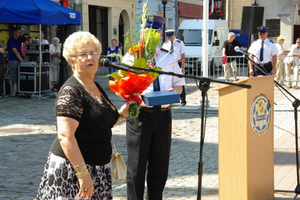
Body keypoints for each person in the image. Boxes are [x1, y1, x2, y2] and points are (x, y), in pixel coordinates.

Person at [36, 31, 132, 199]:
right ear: (72, 61)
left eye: (93, 53)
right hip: (73, 172)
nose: (90, 58)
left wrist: (121, 115)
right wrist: (83, 174)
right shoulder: (71, 91)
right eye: (83, 54)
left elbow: (96, 123)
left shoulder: (94, 85)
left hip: (98, 169)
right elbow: (65, 136)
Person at [125, 15, 185, 200]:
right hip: (141, 117)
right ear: (143, 32)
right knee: (136, 169)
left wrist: (172, 90)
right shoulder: (133, 56)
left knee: (160, 169)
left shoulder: (169, 55)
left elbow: (179, 84)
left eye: (157, 32)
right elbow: (124, 87)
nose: (154, 35)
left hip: (163, 116)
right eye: (149, 31)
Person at [163, 29, 187, 106]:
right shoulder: (165, 44)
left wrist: (182, 66)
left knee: (180, 81)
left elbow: (183, 55)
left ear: (173, 35)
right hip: (169, 64)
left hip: (178, 63)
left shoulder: (179, 43)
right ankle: (170, 99)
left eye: (170, 36)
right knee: (169, 81)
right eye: (168, 37)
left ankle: (183, 100)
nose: (169, 38)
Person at [7, 27, 28, 97]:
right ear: (14, 32)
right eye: (18, 32)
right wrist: (22, 60)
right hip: (13, 60)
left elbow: (28, 39)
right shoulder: (11, 40)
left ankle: (18, 90)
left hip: (19, 60)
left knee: (19, 76)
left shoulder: (19, 39)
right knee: (12, 75)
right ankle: (12, 90)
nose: (19, 34)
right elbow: (15, 51)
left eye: (20, 32)